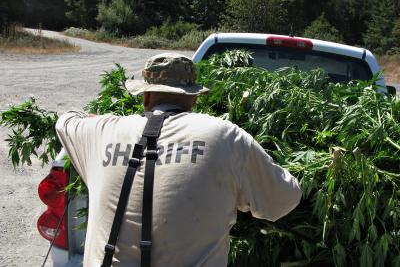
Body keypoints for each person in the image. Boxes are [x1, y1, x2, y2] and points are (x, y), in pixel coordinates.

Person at [56, 52, 302, 267]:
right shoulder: (225, 137)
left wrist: (95, 118)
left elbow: (65, 121)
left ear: (145, 96)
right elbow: (284, 199)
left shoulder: (102, 131)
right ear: (194, 97)